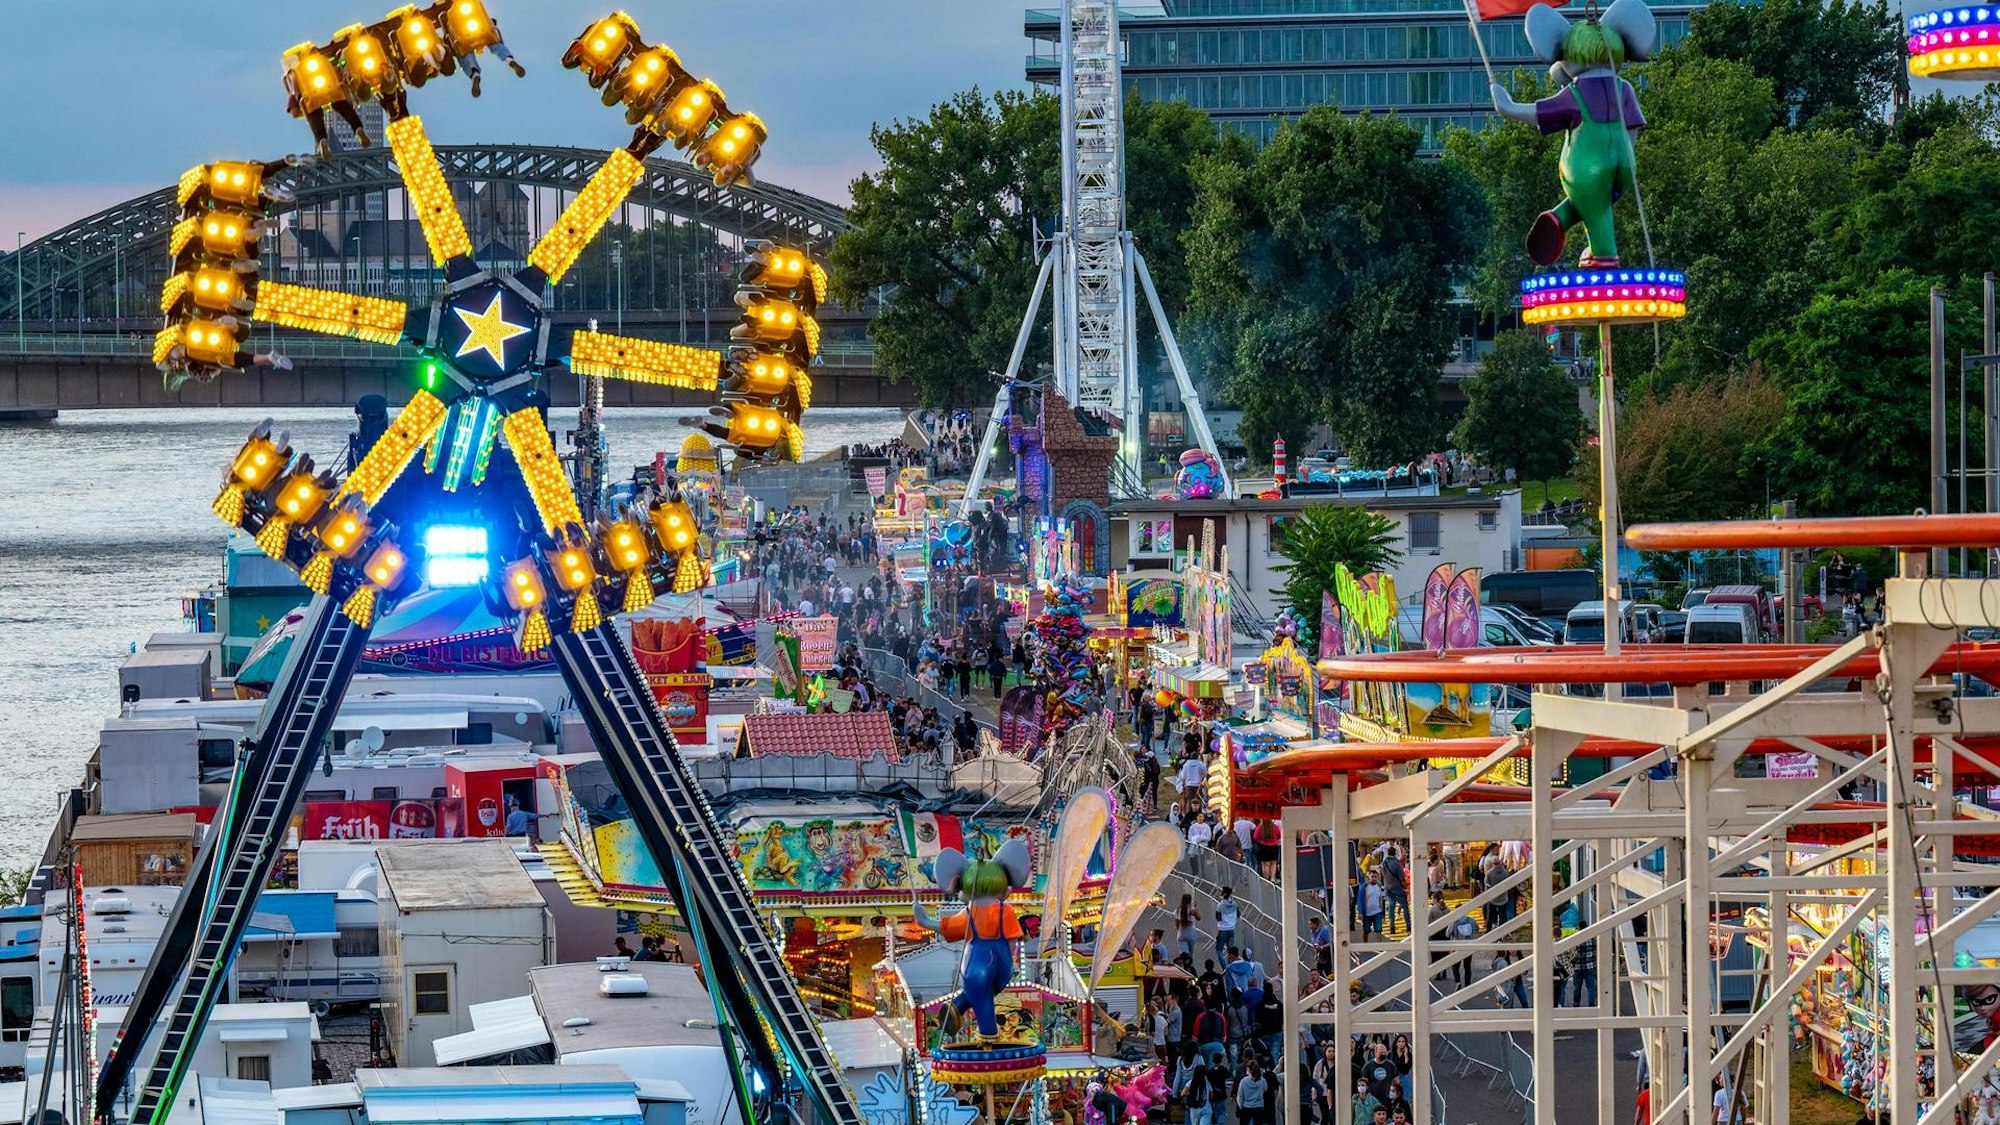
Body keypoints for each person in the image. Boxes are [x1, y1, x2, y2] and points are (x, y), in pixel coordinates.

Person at [1380, 846, 1409, 934]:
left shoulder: (1384, 863)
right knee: (1405, 906)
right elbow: (1402, 877)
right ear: (1395, 853)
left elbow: (1383, 875)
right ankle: (1408, 925)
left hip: (1387, 887)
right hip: (1397, 887)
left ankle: (1392, 926)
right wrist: (1405, 887)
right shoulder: (1397, 863)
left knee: (1391, 906)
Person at [1235, 1058, 1270, 1125]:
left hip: (1246, 1108)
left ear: (1248, 1070)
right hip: (1258, 1107)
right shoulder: (1262, 1081)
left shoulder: (1244, 1081)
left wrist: (1240, 1106)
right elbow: (1265, 1089)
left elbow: (1239, 1096)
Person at [1359, 870, 1386, 939]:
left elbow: (1382, 899)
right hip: (1367, 914)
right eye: (1372, 877)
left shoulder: (1380, 886)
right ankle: (1365, 946)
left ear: (1378, 878)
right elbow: (1360, 900)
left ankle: (1379, 948)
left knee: (1379, 930)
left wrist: (1383, 913)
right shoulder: (1364, 887)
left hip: (1377, 912)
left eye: (1375, 877)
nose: (1374, 878)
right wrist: (1360, 912)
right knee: (1366, 930)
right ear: (1369, 877)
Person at [1176, 894, 1203, 963]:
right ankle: (1190, 968)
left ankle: (1183, 968)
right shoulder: (1191, 910)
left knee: (1183, 955)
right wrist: (1196, 908)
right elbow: (1199, 918)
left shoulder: (1178, 909)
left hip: (1181, 932)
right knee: (1190, 954)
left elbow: (1177, 923)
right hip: (1190, 931)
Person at [1215, 887, 1239, 956]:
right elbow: (1238, 914)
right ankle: (1230, 966)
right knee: (1230, 951)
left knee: (1219, 950)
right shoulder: (1235, 904)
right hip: (1232, 928)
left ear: (1224, 893)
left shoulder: (1220, 905)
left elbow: (1218, 918)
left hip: (1223, 929)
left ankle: (1224, 966)